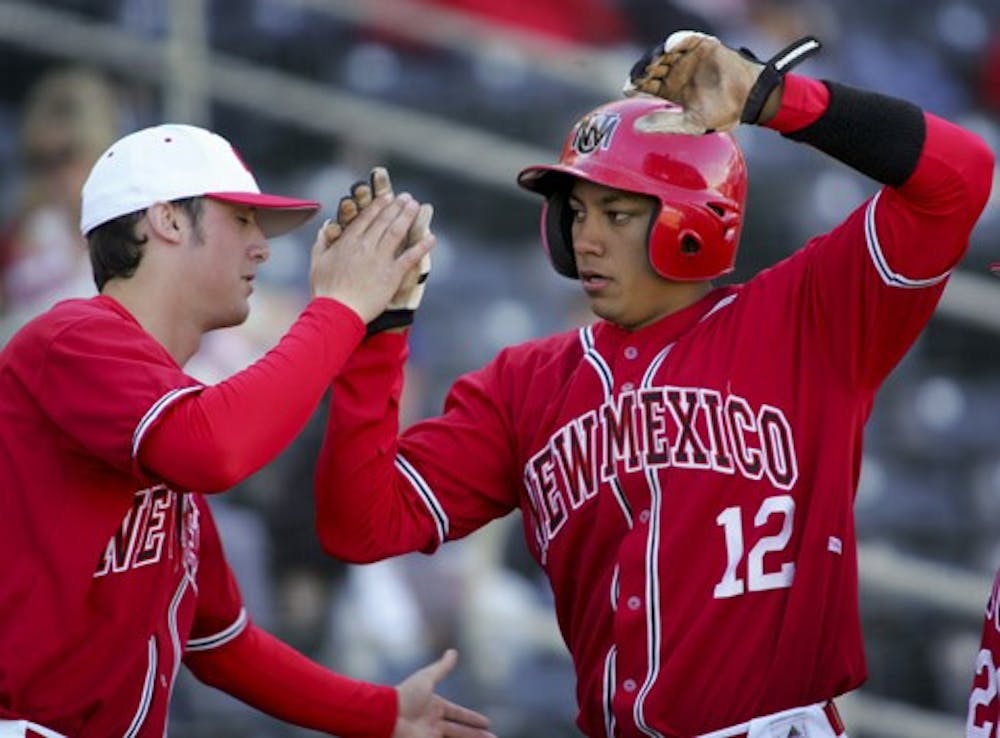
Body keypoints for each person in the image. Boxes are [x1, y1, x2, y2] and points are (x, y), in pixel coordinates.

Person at [313, 30, 995, 738]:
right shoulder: (524, 385)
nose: (586, 237)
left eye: (617, 212)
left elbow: (961, 175)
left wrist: (775, 99)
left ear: (696, 215)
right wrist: (374, 333)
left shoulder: (807, 320)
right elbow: (358, 525)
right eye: (576, 211)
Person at [0, 122, 495, 738]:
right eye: (241, 220)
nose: (261, 247)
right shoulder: (70, 338)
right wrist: (338, 309)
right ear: (168, 222)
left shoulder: (161, 407)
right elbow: (216, 450)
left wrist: (381, 711)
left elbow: (222, 643)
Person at [0, 67, 120, 339]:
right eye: (41, 160)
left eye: (67, 155)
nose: (56, 175)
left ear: (100, 148)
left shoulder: (139, 231)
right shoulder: (17, 241)